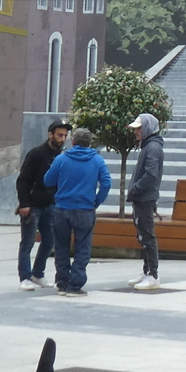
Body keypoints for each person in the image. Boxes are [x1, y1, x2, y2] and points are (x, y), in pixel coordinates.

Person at [44, 127, 110, 298]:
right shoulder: (97, 160)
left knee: (61, 247)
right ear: (90, 143)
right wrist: (96, 201)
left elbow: (48, 180)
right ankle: (75, 286)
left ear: (73, 141)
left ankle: (62, 282)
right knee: (82, 248)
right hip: (85, 209)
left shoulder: (61, 158)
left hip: (62, 208)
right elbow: (106, 183)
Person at [15, 121, 69, 291]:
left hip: (51, 205)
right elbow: (23, 180)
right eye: (60, 135)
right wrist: (24, 203)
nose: (63, 139)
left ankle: (37, 273)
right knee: (28, 242)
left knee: (49, 241)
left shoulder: (61, 156)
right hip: (33, 206)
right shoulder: (36, 154)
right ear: (50, 134)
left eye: (65, 136)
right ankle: (25, 277)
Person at [127, 113, 165, 291]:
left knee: (147, 237)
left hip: (144, 198)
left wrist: (135, 189)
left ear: (148, 128)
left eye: (139, 128)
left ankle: (152, 275)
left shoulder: (152, 148)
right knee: (144, 236)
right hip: (144, 197)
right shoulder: (150, 146)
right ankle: (147, 271)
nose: (136, 131)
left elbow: (151, 174)